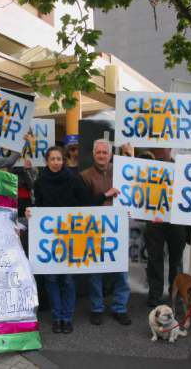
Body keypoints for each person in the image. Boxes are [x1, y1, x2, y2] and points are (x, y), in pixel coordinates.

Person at [26, 146, 90, 334]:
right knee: (52, 280)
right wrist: (31, 211)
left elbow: (86, 203)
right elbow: (36, 205)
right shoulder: (39, 182)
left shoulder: (74, 180)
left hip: (69, 238)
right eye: (52, 159)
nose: (56, 162)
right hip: (49, 240)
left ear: (64, 161)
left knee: (68, 280)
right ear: (47, 161)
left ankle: (67, 318)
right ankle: (56, 317)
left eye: (59, 159)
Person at [80, 139, 132, 326]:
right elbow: (84, 205)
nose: (102, 155)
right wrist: (105, 195)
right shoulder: (85, 176)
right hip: (96, 229)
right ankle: (97, 308)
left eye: (105, 152)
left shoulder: (120, 171)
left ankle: (120, 308)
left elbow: (132, 189)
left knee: (121, 271)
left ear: (110, 154)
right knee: (96, 271)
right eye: (98, 152)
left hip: (119, 228)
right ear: (94, 154)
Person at [143, 147, 190, 308]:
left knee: (176, 260)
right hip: (154, 221)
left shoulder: (181, 168)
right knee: (154, 258)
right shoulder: (146, 168)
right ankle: (155, 294)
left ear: (170, 148)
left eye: (164, 146)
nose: (160, 150)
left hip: (176, 221)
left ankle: (174, 294)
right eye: (157, 146)